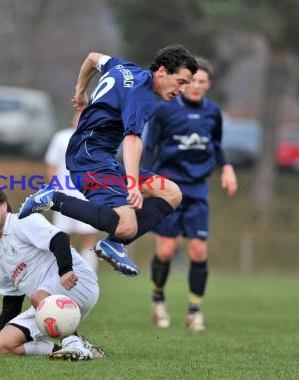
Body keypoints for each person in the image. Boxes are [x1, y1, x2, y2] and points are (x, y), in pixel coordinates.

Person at [18, 45, 198, 277]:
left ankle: (113, 243)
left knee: (172, 193)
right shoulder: (142, 96)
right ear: (162, 71)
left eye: (187, 84)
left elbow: (92, 58)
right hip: (88, 158)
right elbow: (132, 140)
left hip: (102, 158)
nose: (183, 89)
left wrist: (80, 90)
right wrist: (132, 185)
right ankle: (54, 199)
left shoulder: (126, 68)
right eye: (181, 81)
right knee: (127, 226)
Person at [141, 57, 237, 331]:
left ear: (208, 85)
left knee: (198, 250)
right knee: (167, 250)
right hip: (169, 188)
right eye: (192, 80)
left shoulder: (213, 113)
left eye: (202, 81)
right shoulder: (165, 110)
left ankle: (195, 310)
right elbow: (150, 148)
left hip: (197, 190)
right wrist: (143, 181)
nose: (196, 85)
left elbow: (216, 145)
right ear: (185, 81)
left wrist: (227, 167)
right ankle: (158, 300)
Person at [0, 186, 104, 361]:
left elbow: (59, 238)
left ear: (4, 205)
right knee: (2, 345)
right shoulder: (2, 254)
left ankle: (73, 343)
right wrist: (1, 332)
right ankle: (67, 347)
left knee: (38, 295)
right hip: (46, 302)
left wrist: (66, 270)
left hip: (78, 281)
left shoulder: (22, 221)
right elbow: (11, 301)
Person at [44, 110, 100, 272]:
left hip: (87, 196)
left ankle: (89, 274)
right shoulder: (61, 138)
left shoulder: (94, 139)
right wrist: (54, 189)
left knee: (88, 236)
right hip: (64, 196)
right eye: (78, 115)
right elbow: (51, 164)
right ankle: (65, 271)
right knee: (63, 236)